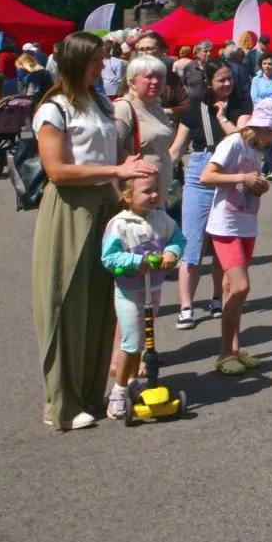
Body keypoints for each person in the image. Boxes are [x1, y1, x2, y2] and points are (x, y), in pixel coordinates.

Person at [32, 31, 154, 431]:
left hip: (105, 204)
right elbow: (57, 171)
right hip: (70, 209)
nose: (103, 67)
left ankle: (88, 394)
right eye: (96, 61)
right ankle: (62, 405)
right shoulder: (54, 108)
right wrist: (115, 170)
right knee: (67, 302)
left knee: (102, 302)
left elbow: (109, 154)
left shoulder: (99, 101)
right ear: (75, 62)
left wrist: (128, 168)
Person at [199, 96, 272, 375]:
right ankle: (225, 352)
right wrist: (243, 179)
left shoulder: (256, 150)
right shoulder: (233, 143)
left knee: (231, 290)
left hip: (246, 221)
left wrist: (257, 185)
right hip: (226, 224)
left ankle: (233, 350)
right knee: (240, 287)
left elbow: (248, 181)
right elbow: (207, 176)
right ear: (262, 127)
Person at [100, 172, 184, 422]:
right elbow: (109, 258)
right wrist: (139, 262)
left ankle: (134, 380)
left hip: (153, 290)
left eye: (157, 190)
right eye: (147, 191)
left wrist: (172, 251)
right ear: (127, 196)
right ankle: (119, 390)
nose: (155, 195)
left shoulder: (161, 218)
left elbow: (178, 239)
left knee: (146, 339)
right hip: (129, 292)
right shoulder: (120, 225)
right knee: (132, 342)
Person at [174, 61, 244, 329]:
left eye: (230, 79)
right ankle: (186, 306)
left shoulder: (240, 108)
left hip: (230, 176)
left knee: (221, 243)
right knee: (192, 243)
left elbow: (242, 139)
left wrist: (223, 117)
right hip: (199, 174)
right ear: (207, 83)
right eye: (221, 80)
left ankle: (217, 297)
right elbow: (177, 149)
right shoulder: (194, 110)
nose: (227, 84)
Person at [112, 55, 178, 199]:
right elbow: (111, 151)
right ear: (132, 82)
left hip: (157, 193)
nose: (155, 81)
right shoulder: (123, 108)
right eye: (149, 77)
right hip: (135, 195)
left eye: (160, 76)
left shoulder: (157, 108)